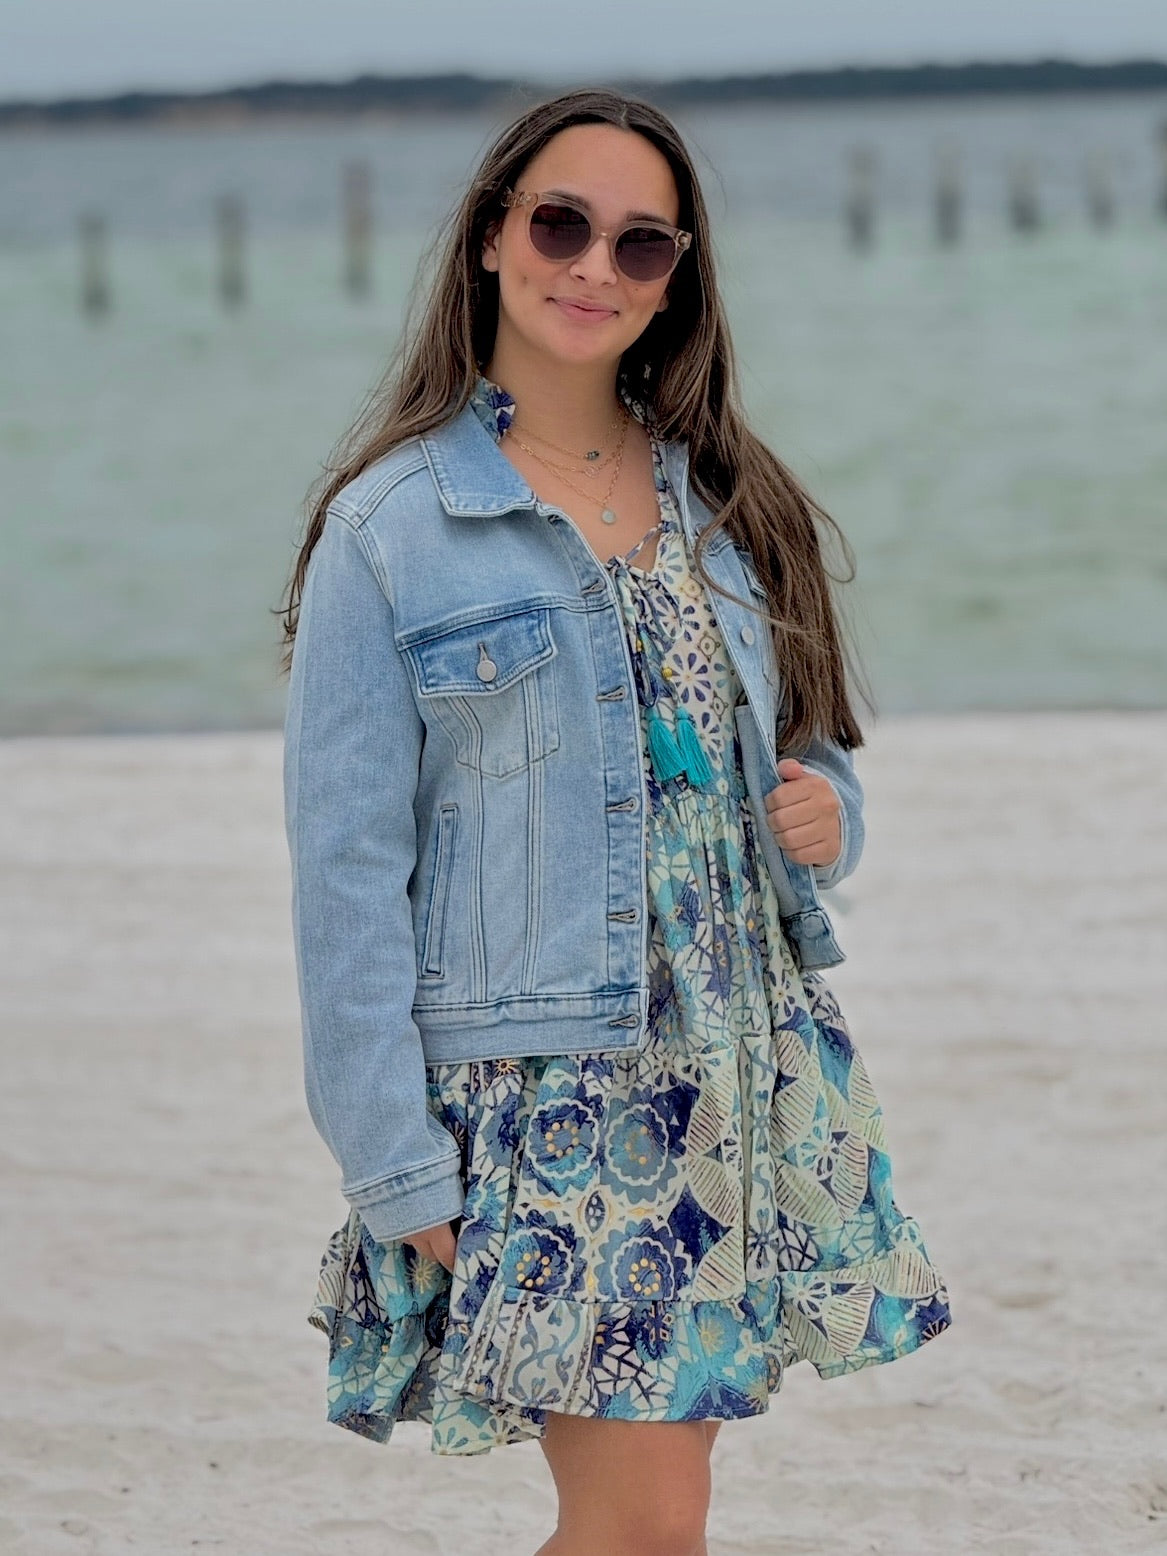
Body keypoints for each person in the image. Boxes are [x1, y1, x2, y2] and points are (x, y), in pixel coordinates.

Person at [278, 85, 952, 1556]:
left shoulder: (726, 494)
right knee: (645, 1521)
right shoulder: (389, 532)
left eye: (640, 244)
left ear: (676, 278)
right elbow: (344, 871)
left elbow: (807, 741)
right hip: (548, 1094)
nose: (594, 266)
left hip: (735, 1060)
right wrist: (390, 1151)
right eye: (562, 224)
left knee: (658, 1512)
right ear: (492, 243)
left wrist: (828, 811)